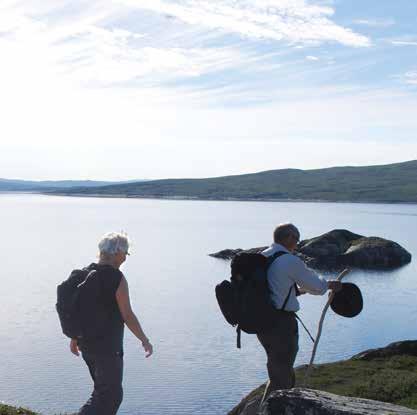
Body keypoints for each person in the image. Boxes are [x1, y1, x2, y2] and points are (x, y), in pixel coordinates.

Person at [70, 232, 153, 415]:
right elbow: (128, 315)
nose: (125, 258)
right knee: (111, 396)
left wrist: (74, 337)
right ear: (117, 253)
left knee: (102, 393)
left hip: (87, 346)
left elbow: (77, 310)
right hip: (108, 349)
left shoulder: (83, 274)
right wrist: (144, 340)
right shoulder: (117, 279)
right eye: (126, 253)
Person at [259, 223, 341, 397]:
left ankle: (270, 406)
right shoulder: (289, 260)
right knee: (282, 376)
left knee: (277, 370)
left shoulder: (264, 255)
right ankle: (274, 408)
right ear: (288, 237)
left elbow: (276, 288)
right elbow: (317, 287)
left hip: (262, 323)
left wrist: (300, 291)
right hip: (281, 324)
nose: (297, 243)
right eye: (296, 239)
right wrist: (329, 284)